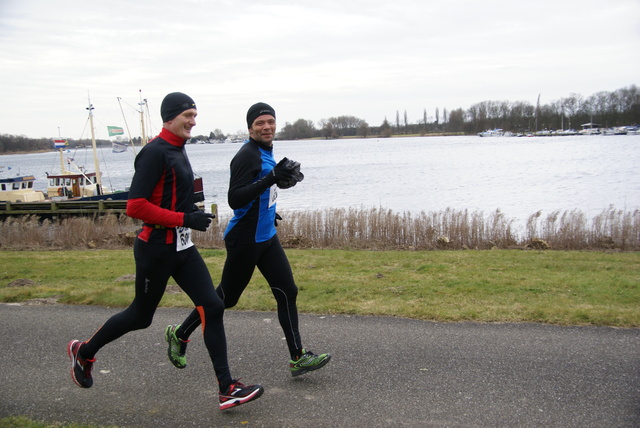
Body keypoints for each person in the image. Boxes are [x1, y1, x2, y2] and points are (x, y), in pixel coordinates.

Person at [67, 92, 264, 411]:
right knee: (140, 316)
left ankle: (227, 388)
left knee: (212, 306)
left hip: (182, 247)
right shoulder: (155, 152)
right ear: (170, 117)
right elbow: (136, 206)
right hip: (156, 249)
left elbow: (171, 195)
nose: (194, 120)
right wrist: (185, 217)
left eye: (195, 115)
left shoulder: (179, 148)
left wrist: (191, 211)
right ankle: (85, 352)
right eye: (188, 115)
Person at [164, 102, 331, 377]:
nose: (266, 127)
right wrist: (271, 179)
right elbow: (235, 197)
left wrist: (269, 211)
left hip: (266, 236)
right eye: (260, 123)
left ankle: (298, 357)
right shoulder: (247, 155)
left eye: (270, 122)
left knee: (287, 291)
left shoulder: (265, 151)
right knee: (225, 299)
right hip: (245, 239)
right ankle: (180, 334)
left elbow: (257, 194)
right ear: (250, 128)